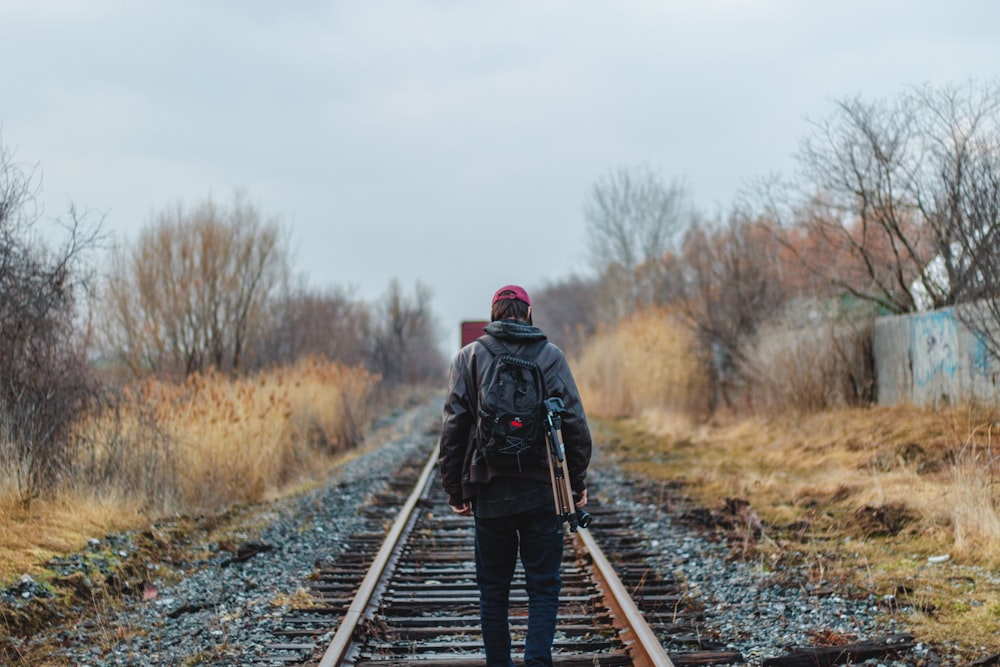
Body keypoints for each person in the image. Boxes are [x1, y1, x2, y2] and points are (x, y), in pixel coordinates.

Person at [438, 284, 592, 667]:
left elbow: (454, 429)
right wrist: (576, 485)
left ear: (493, 314)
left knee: (493, 592)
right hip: (543, 490)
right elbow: (574, 424)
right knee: (544, 588)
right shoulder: (551, 356)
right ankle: (537, 661)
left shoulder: (469, 357)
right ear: (529, 313)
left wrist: (456, 490)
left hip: (490, 492)